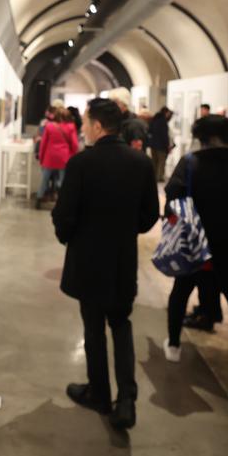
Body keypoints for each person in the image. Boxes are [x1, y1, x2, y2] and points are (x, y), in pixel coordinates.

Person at [53, 98, 159, 431]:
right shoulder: (140, 163)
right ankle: (126, 400)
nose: (83, 127)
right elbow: (149, 215)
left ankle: (99, 393)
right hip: (122, 259)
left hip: (88, 258)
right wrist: (127, 229)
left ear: (98, 126)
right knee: (121, 323)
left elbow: (65, 215)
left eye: (86, 122)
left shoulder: (82, 163)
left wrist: (67, 234)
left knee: (93, 326)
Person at [163, 115, 228, 364]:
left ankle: (173, 345)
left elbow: (172, 198)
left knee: (181, 291)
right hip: (226, 239)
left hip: (192, 239)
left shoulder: (189, 163)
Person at [35, 108, 78, 208]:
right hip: (64, 158)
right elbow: (75, 144)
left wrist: (41, 157)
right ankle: (62, 202)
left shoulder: (49, 126)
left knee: (44, 180)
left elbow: (43, 144)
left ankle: (39, 198)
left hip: (49, 158)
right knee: (63, 181)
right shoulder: (71, 127)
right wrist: (71, 155)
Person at [148, 106, 173, 182]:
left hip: (153, 145)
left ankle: (154, 177)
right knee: (161, 162)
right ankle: (159, 177)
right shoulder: (163, 121)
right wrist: (167, 145)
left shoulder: (154, 119)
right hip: (161, 146)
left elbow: (150, 131)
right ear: (166, 112)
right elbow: (164, 135)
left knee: (154, 162)